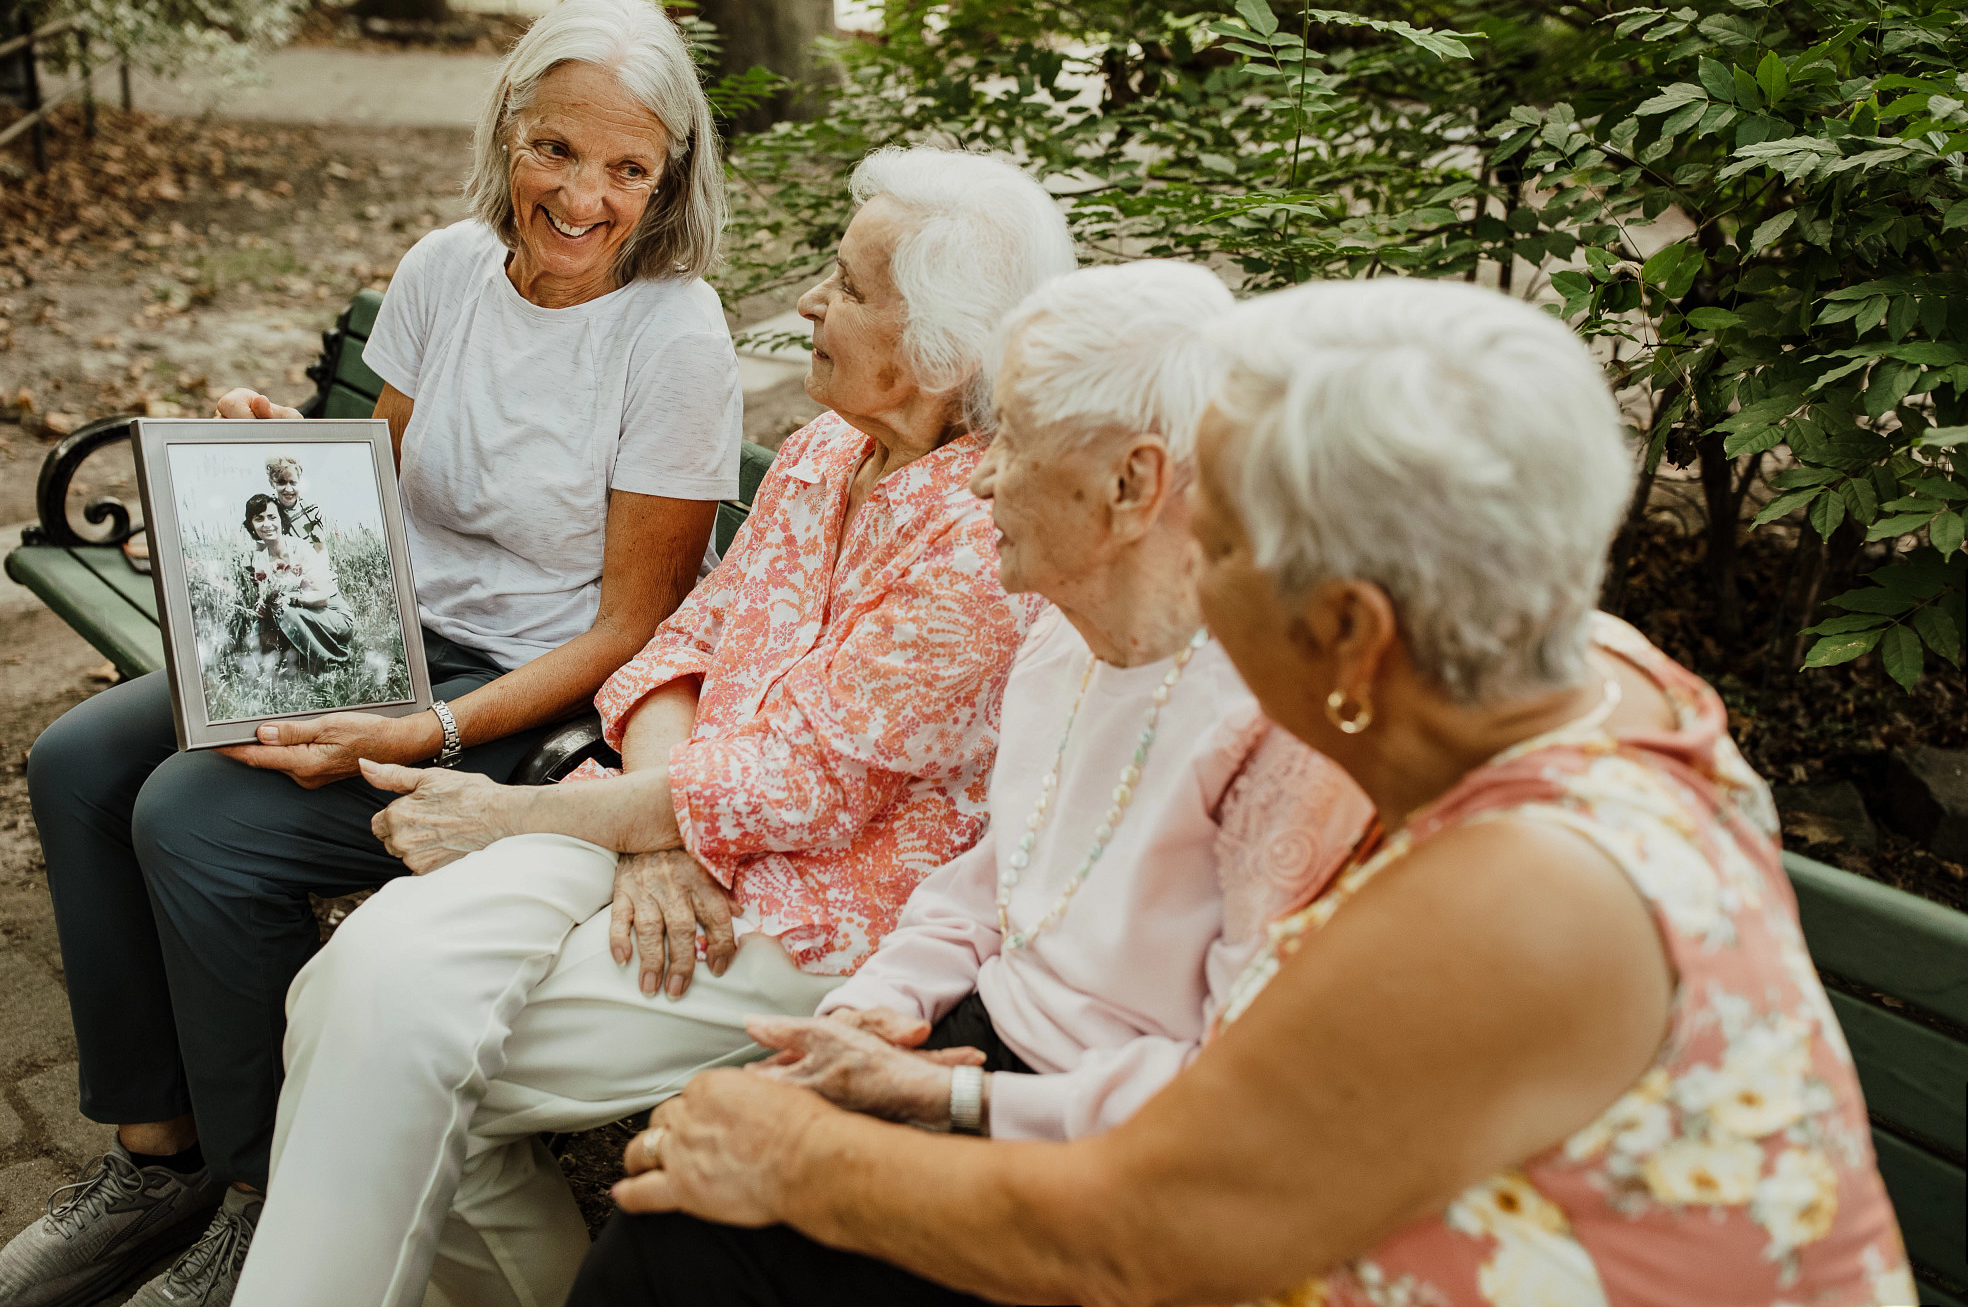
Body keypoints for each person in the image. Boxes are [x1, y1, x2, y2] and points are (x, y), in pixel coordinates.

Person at [578, 278, 1916, 1307]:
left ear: (1348, 630)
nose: (1186, 580)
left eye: (1215, 544)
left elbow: (1140, 1230)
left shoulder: (1536, 890)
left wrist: (790, 1157)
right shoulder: (1572, 671)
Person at [0, 0, 741, 1307]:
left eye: (628, 167)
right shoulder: (449, 267)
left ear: (669, 176)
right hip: (379, 630)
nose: (583, 196)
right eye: (555, 149)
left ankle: (270, 1199)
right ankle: (159, 1154)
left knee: (197, 823)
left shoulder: (671, 335)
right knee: (78, 764)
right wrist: (279, 446)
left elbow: (636, 628)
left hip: (527, 698)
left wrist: (427, 731)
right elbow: (373, 483)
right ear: (508, 127)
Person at [228, 145, 1078, 1307]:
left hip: (817, 903)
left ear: (939, 349)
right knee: (349, 991)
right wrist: (662, 828)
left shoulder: (982, 536)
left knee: (391, 1060)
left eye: (846, 287)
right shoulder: (832, 448)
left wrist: (509, 818)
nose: (806, 304)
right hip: (655, 816)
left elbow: (804, 788)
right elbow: (686, 643)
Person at [580, 260, 1376, 1305]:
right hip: (967, 1043)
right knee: (669, 1203)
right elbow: (982, 883)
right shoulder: (1059, 637)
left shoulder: (1279, 726)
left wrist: (955, 1107)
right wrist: (869, 1015)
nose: (977, 477)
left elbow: (1236, 1094)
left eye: (1016, 443)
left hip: (1106, 1152)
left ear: (1132, 486)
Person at [244, 494, 354, 677]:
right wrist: (262, 606)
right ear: (252, 526)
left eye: (272, 517)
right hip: (302, 616)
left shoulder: (300, 548)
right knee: (261, 624)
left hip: (333, 617)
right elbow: (265, 597)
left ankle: (335, 664)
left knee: (285, 610)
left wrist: (290, 599)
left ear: (281, 519)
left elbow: (323, 597)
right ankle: (277, 670)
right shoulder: (261, 559)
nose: (267, 524)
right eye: (259, 519)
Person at [263, 457, 324, 549]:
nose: (288, 489)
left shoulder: (311, 509)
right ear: (272, 483)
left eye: (293, 483)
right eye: (281, 483)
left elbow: (320, 550)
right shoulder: (267, 511)